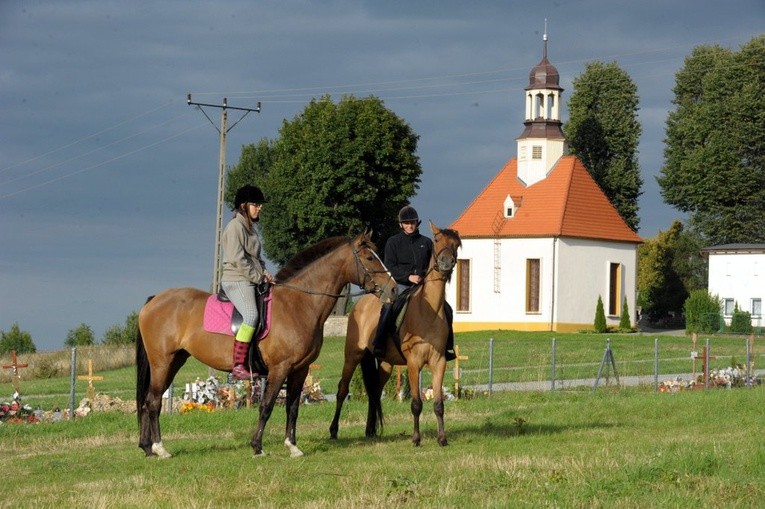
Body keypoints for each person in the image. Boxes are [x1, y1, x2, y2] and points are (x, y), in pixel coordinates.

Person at [373, 205, 456, 360]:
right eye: (406, 223)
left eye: (412, 222)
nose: (409, 225)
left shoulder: (426, 242)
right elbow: (389, 266)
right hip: (401, 284)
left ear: (416, 223)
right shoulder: (393, 242)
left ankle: (447, 347)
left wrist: (425, 277)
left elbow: (432, 264)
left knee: (447, 308)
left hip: (423, 285)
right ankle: (379, 344)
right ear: (401, 225)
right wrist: (408, 277)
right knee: (388, 307)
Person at [220, 184, 274, 380]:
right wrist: (257, 277)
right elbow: (237, 259)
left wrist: (265, 273)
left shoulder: (251, 229)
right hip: (237, 279)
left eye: (260, 205)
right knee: (251, 315)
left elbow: (255, 258)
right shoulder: (235, 227)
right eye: (256, 204)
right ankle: (238, 365)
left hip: (250, 278)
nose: (259, 208)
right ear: (243, 206)